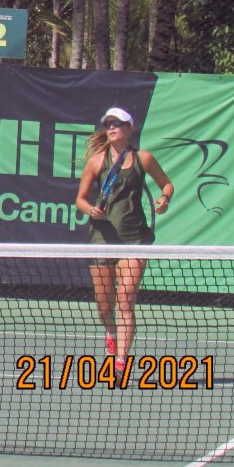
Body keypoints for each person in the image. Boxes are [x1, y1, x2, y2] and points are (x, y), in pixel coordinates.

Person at [75, 107, 174, 373]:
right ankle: (111, 333)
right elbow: (80, 200)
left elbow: (167, 184)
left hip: (135, 240)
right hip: (101, 240)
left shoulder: (144, 158)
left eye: (117, 123)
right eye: (108, 123)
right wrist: (91, 210)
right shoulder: (96, 161)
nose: (111, 127)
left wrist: (165, 199)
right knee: (104, 306)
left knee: (126, 300)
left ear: (130, 128)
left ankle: (120, 362)